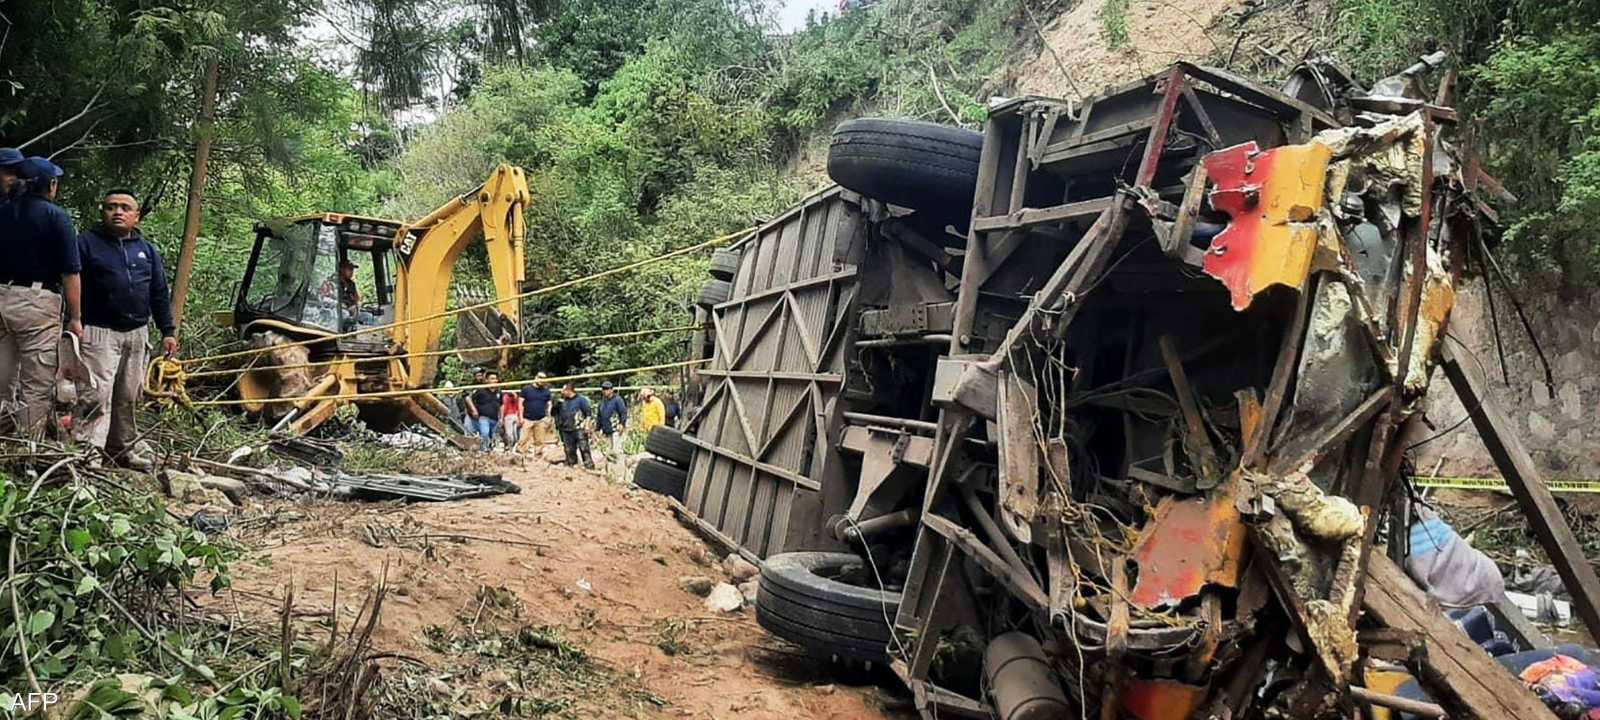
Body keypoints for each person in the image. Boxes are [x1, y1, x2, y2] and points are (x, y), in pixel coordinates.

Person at [75, 188, 176, 467]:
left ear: (137, 216)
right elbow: (70, 284)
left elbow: (158, 291)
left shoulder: (146, 250)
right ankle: (88, 453)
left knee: (129, 395)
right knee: (96, 394)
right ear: (102, 212)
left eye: (124, 207)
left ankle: (121, 448)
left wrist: (168, 330)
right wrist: (72, 321)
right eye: (111, 207)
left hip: (137, 333)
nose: (117, 212)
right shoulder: (85, 243)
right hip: (98, 331)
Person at [0, 156, 82, 439]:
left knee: (2, 375)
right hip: (37, 302)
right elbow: (70, 273)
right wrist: (76, 318)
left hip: (1, 295)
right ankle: (26, 448)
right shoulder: (56, 217)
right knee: (37, 381)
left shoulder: (3, 212)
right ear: (51, 185)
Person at [552, 383, 595, 469]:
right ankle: (573, 466)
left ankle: (589, 466)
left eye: (563, 390)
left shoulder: (581, 400)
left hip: (579, 429)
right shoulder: (562, 402)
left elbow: (588, 414)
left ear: (569, 390)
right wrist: (555, 406)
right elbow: (553, 414)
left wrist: (587, 425)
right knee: (569, 450)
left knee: (584, 449)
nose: (562, 392)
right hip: (566, 429)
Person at [466, 371, 502, 451]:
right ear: (487, 380)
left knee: (492, 435)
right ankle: (484, 450)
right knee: (485, 433)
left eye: (496, 379)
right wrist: (473, 409)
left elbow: (501, 405)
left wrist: (501, 417)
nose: (495, 380)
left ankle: (489, 449)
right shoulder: (481, 390)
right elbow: (468, 398)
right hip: (483, 417)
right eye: (492, 379)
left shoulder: (499, 392)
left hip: (495, 418)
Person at [519, 372, 554, 448]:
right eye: (540, 377)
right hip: (527, 419)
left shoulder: (546, 391)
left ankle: (538, 458)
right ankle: (521, 458)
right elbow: (520, 404)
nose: (542, 380)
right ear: (536, 377)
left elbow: (549, 404)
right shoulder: (526, 389)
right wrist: (521, 417)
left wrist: (548, 416)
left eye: (544, 378)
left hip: (541, 420)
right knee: (523, 441)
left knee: (540, 443)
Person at [596, 381, 628, 461]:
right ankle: (610, 469)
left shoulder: (618, 400)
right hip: (606, 430)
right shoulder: (602, 402)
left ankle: (619, 468)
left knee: (617, 451)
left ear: (611, 390)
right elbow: (599, 416)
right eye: (603, 389)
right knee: (607, 452)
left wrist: (622, 423)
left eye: (607, 389)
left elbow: (623, 412)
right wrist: (597, 428)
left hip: (616, 429)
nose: (605, 391)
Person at [499, 384, 523, 448]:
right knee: (510, 433)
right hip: (509, 416)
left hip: (512, 415)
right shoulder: (505, 396)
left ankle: (512, 446)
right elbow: (503, 407)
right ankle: (511, 445)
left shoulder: (513, 397)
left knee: (512, 433)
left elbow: (517, 404)